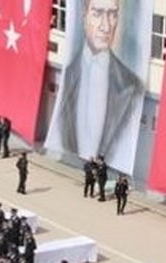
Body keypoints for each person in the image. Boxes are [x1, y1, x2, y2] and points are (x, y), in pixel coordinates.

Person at [44, 0, 143, 160]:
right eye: (97, 13)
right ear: (85, 17)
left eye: (112, 15)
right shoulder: (68, 75)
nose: (106, 26)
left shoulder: (131, 84)